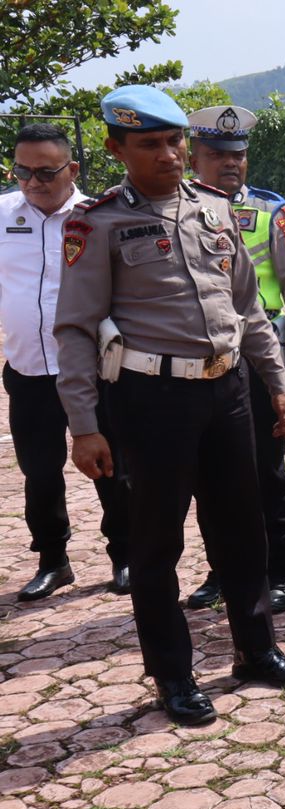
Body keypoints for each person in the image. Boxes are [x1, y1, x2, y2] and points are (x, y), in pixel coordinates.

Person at [54, 85, 285, 726]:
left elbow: (249, 307)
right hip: (150, 399)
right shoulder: (99, 222)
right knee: (155, 544)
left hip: (227, 390)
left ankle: (256, 650)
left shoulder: (216, 209)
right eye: (150, 144)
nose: (168, 155)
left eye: (174, 141)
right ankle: (172, 673)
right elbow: (76, 329)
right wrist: (83, 426)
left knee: (241, 530)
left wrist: (276, 382)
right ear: (118, 149)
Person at [183, 105, 285, 614]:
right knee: (208, 478)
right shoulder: (179, 210)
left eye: (237, 154)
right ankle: (223, 570)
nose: (230, 163)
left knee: (268, 475)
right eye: (217, 154)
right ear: (193, 155)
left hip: (261, 363)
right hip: (203, 366)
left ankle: (280, 572)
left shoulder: (269, 211)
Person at [1, 123, 130, 601]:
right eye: (22, 171)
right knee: (39, 470)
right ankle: (53, 560)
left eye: (46, 171)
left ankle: (126, 556)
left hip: (93, 371)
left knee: (109, 465)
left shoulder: (100, 217)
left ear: (72, 169)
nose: (33, 181)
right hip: (28, 369)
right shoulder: (2, 215)